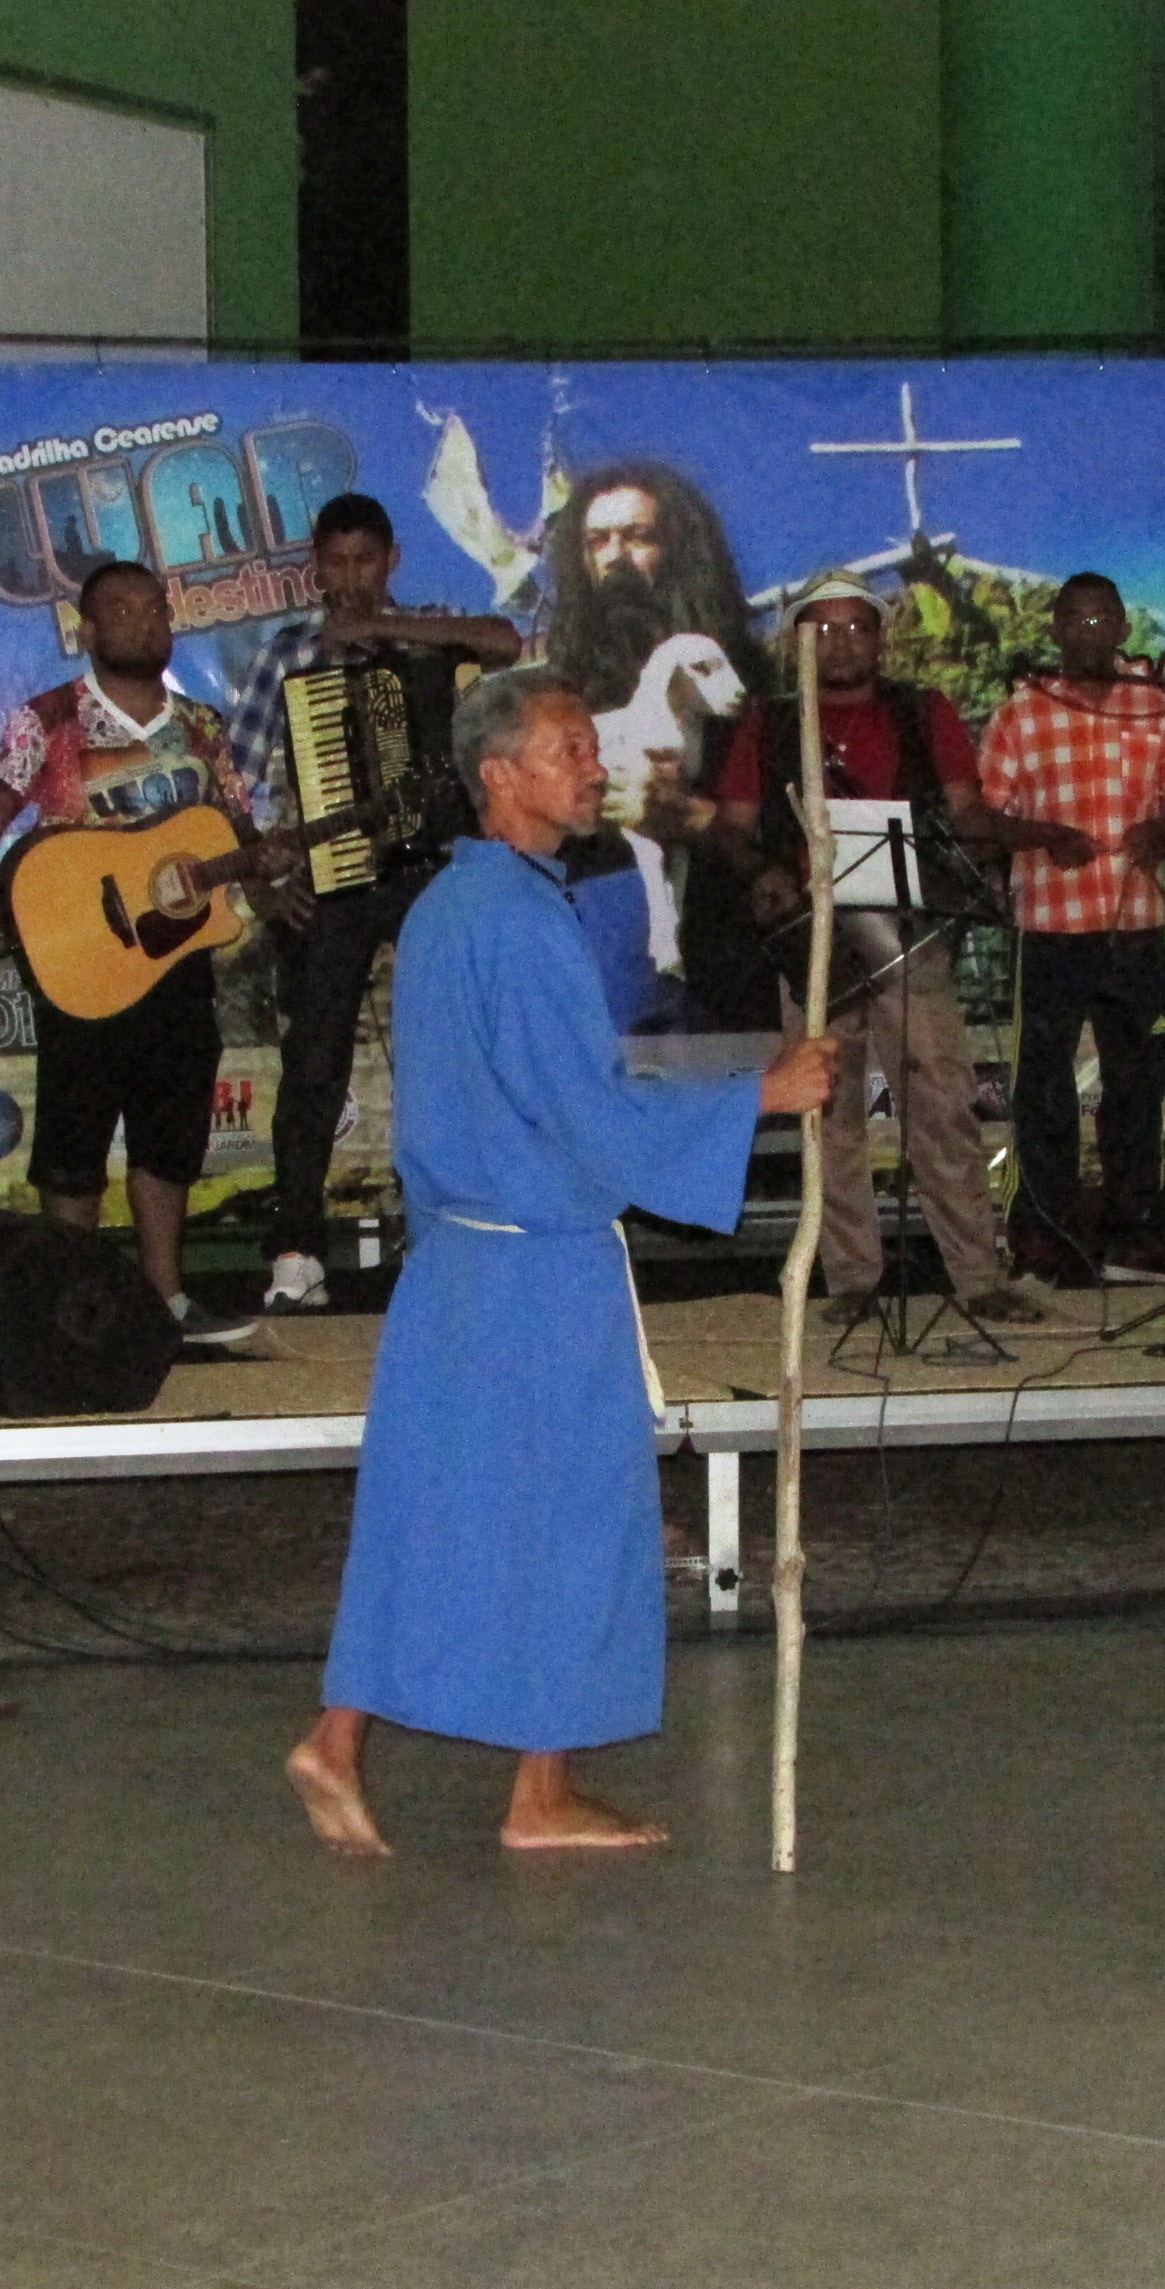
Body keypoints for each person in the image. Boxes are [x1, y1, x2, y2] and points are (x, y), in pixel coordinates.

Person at [285, 669, 838, 1855]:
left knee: (433, 1514)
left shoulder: (445, 908)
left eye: (592, 746)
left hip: (457, 1267)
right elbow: (589, 1118)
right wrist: (764, 1095)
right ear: (501, 776)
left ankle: (340, 1739)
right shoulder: (524, 922)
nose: (595, 768)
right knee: (577, 1521)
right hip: (536, 1274)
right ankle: (535, 1796)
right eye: (569, 750)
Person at [678, 570, 1044, 1328]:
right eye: (824, 629)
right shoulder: (770, 724)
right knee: (827, 1110)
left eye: (856, 627)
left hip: (907, 932)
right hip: (811, 938)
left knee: (940, 1102)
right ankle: (850, 1277)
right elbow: (732, 825)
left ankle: (978, 1275)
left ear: (880, 638)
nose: (842, 643)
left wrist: (1012, 849)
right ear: (797, 642)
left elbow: (965, 808)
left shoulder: (922, 711)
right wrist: (762, 871)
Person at [0, 559, 275, 1349]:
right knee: (74, 1141)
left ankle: (167, 1302)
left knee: (171, 1137)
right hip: (80, 958)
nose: (143, 619)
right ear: (87, 631)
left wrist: (271, 873)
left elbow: (235, 833)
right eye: (121, 610)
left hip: (177, 960)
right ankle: (73, 1311)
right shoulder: (47, 720)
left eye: (154, 607)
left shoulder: (202, 728)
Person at [224, 494, 523, 1315]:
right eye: (337, 563)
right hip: (332, 875)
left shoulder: (436, 631)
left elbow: (508, 643)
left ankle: (450, 1235)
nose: (350, 578)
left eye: (365, 561)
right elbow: (234, 781)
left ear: (392, 561)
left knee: (452, 1055)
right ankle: (296, 1250)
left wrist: (383, 630)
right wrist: (262, 881)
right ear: (314, 568)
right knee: (312, 1062)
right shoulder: (286, 654)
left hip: (432, 873)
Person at [974, 573, 1165, 1289]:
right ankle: (1046, 1239)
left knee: (1137, 1089)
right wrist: (1043, 834)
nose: (1090, 631)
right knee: (1045, 1093)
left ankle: (1135, 1234)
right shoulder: (1021, 713)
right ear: (1055, 629)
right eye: (1076, 620)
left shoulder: (1158, 708)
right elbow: (983, 816)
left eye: (1103, 618)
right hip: (1049, 931)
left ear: (1122, 629)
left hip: (1136, 929)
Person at [538, 461, 777, 1031]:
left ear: (679, 551)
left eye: (637, 537)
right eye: (598, 540)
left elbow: (777, 845)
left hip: (724, 954)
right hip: (601, 955)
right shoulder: (554, 688)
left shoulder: (741, 683)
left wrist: (687, 815)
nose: (615, 556)